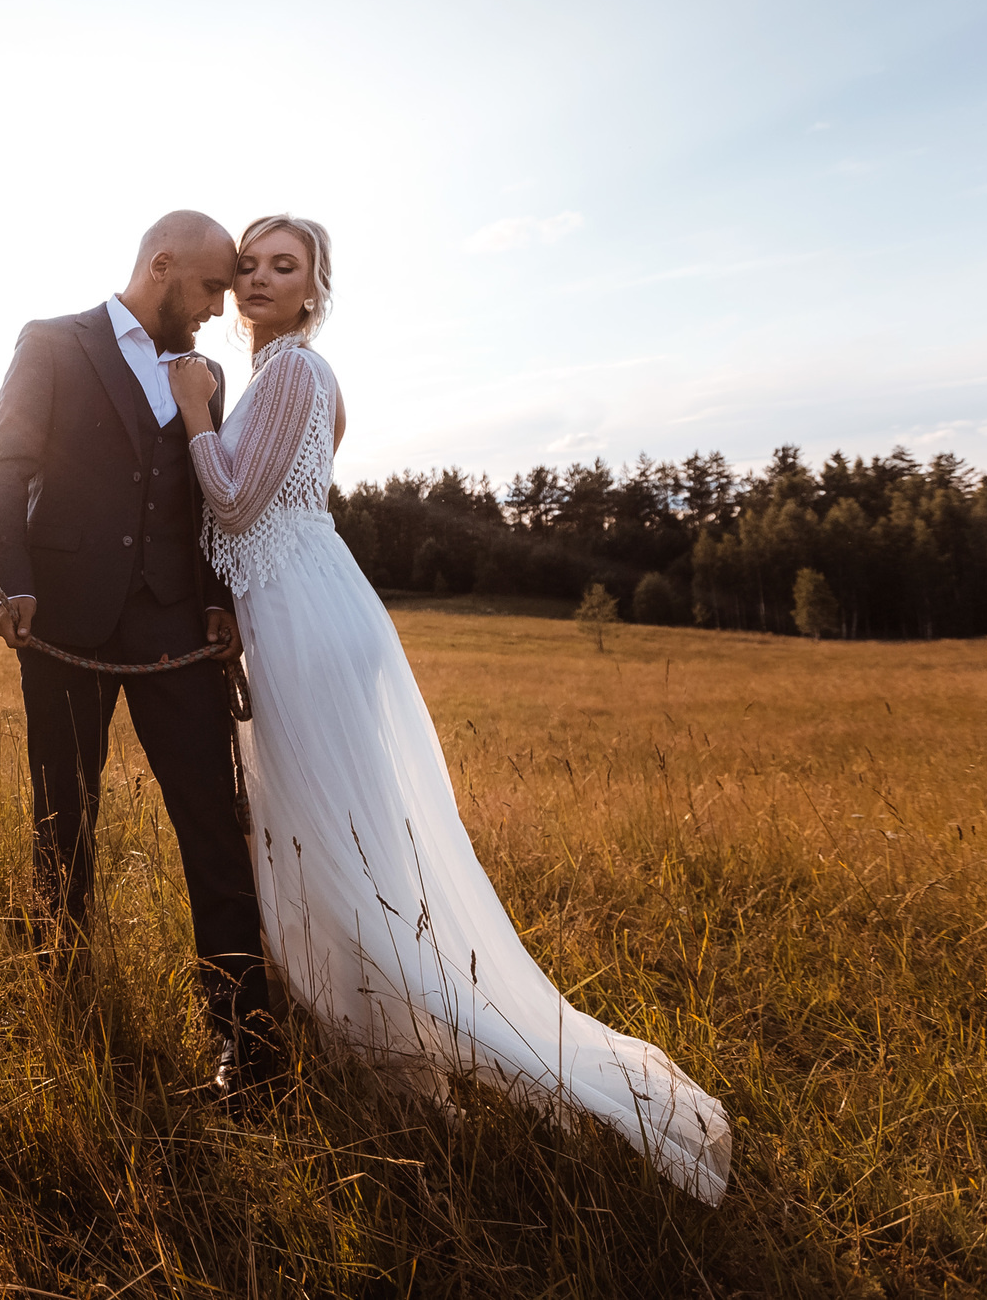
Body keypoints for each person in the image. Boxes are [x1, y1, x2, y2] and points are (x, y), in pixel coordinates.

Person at [169, 213, 732, 1203]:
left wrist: (192, 416)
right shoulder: (280, 378)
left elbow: (232, 505)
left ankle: (445, 1038)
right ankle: (377, 1049)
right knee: (321, 833)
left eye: (281, 267)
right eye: (248, 266)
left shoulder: (293, 373)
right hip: (294, 610)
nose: (257, 279)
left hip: (306, 622)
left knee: (336, 839)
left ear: (313, 290)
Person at [0, 210, 281, 1093]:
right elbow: (5, 463)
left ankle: (241, 1030)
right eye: (213, 286)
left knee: (211, 820)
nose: (222, 305)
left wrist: (218, 602)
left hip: (176, 627)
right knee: (61, 816)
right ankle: (62, 1003)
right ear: (161, 265)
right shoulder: (51, 342)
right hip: (65, 622)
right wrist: (15, 579)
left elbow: (209, 498)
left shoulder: (210, 377)